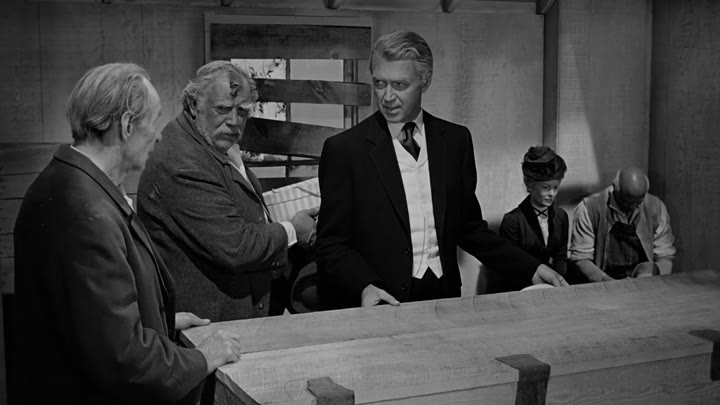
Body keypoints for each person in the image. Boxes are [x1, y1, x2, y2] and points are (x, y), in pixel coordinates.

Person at [11, 63, 243, 404]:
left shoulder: (63, 182)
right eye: (153, 121)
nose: (159, 136)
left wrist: (159, 320)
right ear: (126, 125)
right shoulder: (86, 212)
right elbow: (124, 360)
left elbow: (87, 316)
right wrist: (203, 357)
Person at [315, 30, 568, 309]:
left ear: (425, 80)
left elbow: (470, 229)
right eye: (379, 83)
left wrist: (530, 268)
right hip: (380, 301)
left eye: (399, 85)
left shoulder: (456, 141)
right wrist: (365, 286)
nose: (387, 96)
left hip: (443, 295)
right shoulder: (344, 151)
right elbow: (331, 244)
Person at [137, 61, 318, 322]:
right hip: (208, 327)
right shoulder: (182, 162)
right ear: (194, 105)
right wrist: (292, 230)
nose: (234, 121)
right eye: (222, 109)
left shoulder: (213, 143)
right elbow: (235, 247)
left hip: (236, 321)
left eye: (242, 111)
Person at [569, 166, 676, 281]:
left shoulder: (656, 207)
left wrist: (655, 278)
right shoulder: (589, 208)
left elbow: (664, 255)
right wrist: (609, 282)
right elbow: (582, 258)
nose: (633, 207)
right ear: (615, 190)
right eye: (627, 202)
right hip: (603, 278)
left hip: (642, 278)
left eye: (638, 202)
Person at [498, 146, 570, 291]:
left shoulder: (561, 216)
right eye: (546, 187)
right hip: (521, 288)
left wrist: (559, 283)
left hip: (553, 286)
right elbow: (510, 265)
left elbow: (561, 257)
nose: (552, 194)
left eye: (556, 188)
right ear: (530, 185)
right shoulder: (512, 220)